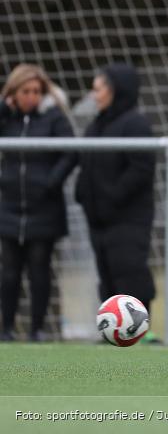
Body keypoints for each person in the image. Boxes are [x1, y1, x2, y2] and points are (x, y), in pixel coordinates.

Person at [75, 64, 158, 342]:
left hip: (128, 217)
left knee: (130, 272)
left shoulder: (135, 124)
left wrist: (112, 196)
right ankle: (112, 333)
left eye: (100, 89)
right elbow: (86, 164)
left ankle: (140, 331)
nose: (95, 94)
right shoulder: (96, 126)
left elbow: (141, 169)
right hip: (98, 218)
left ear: (117, 90)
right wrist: (83, 194)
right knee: (107, 275)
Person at [0, 65, 77, 342]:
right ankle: (6, 329)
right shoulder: (7, 118)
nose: (31, 96)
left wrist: (50, 182)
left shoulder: (54, 118)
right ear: (14, 93)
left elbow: (70, 153)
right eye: (25, 91)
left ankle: (37, 330)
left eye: (36, 91)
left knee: (39, 270)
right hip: (9, 207)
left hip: (44, 208)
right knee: (9, 272)